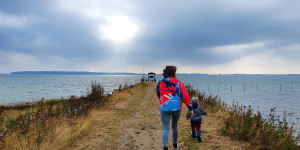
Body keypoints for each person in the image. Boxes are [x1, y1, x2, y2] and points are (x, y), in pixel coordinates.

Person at [156, 66, 193, 150]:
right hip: (177, 108)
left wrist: (162, 100)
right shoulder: (179, 83)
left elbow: (158, 93)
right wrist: (190, 108)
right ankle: (175, 146)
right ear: (174, 73)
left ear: (165, 72)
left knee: (165, 127)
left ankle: (165, 147)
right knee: (174, 126)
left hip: (165, 107)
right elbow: (185, 95)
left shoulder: (160, 82)